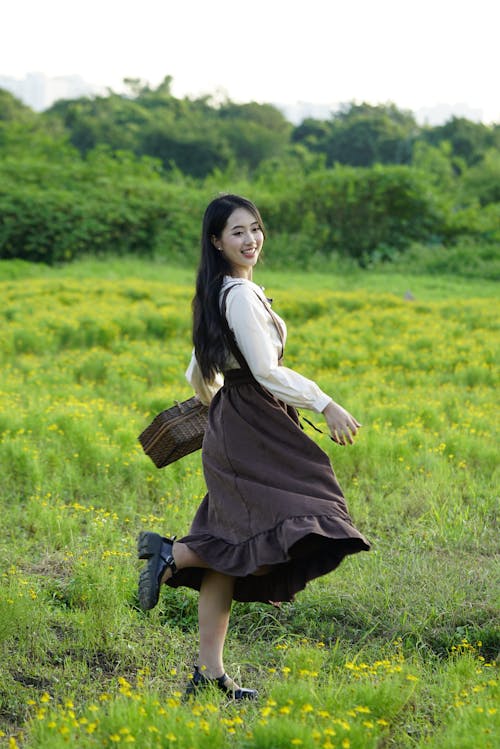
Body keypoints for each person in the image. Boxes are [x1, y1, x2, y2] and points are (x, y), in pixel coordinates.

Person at [137, 194, 370, 700]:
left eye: (255, 229)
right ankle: (172, 554)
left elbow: (199, 375)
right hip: (251, 425)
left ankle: (209, 673)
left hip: (238, 423)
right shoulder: (238, 297)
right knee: (300, 514)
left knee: (232, 551)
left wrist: (221, 408)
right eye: (237, 232)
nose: (251, 240)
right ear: (217, 242)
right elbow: (265, 370)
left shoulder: (222, 292)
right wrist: (324, 403)